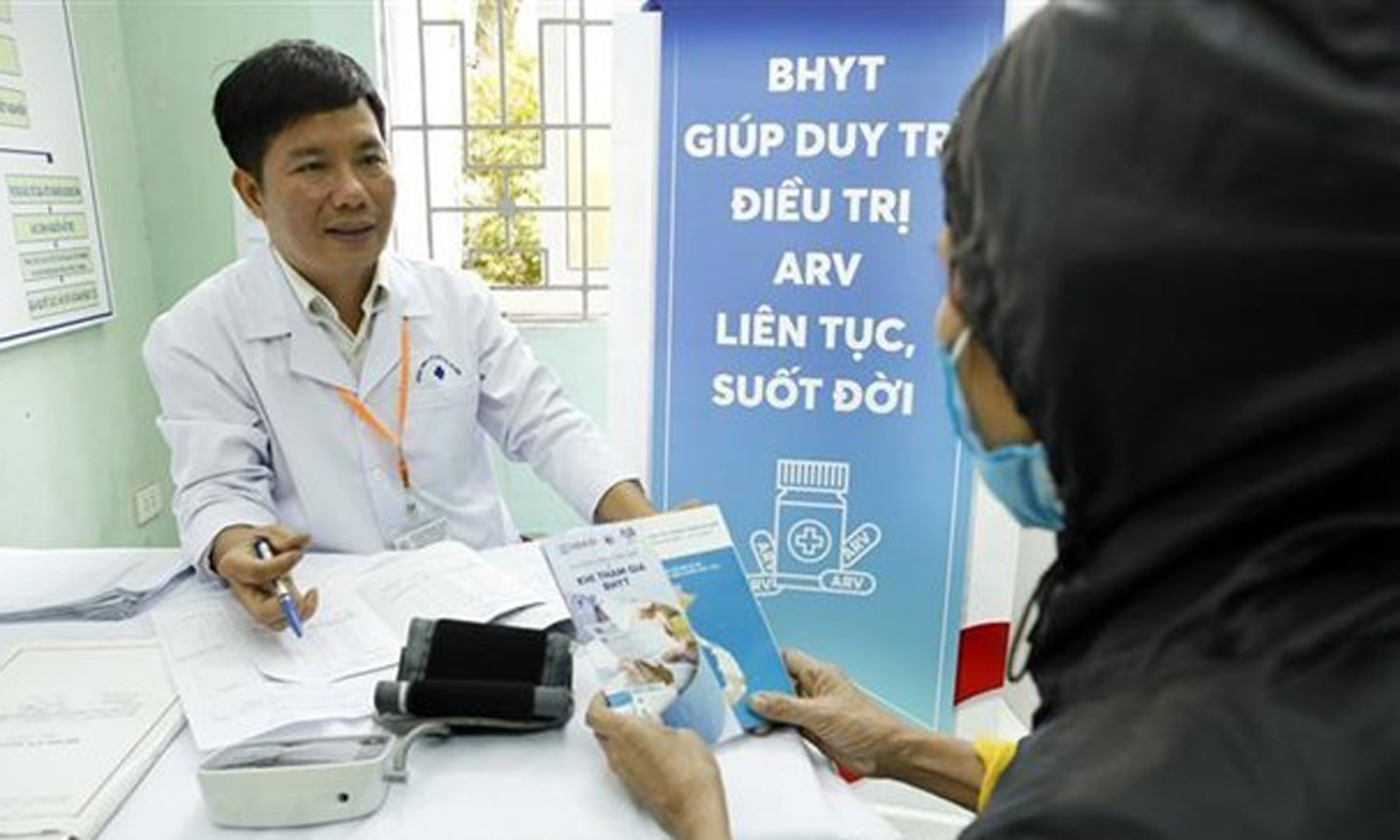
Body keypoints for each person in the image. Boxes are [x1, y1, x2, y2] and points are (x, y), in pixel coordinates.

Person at [586, 1, 1400, 838]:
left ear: (1082, 333)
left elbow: (1104, 794)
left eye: (963, 277)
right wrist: (902, 746)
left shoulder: (1134, 796)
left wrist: (694, 813)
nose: (943, 328)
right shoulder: (1308, 619)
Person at [143, 40, 652, 630]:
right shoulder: (197, 334)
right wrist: (242, 550)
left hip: (488, 600)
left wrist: (644, 525)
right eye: (313, 167)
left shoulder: (457, 301)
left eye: (369, 158)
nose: (354, 191)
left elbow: (548, 426)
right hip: (332, 614)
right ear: (252, 192)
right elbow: (220, 486)